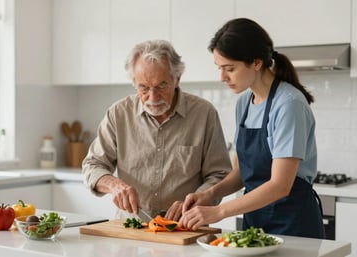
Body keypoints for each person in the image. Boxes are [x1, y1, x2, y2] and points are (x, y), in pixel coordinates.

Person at [179, 18, 325, 239]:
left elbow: (279, 186)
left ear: (256, 63)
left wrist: (219, 211)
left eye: (230, 68)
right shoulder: (245, 103)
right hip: (255, 222)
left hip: (293, 224)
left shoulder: (288, 104)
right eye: (220, 68)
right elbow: (242, 172)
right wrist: (210, 194)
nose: (222, 77)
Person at [82, 39, 232, 221]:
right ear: (134, 83)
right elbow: (92, 165)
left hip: (184, 225)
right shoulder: (118, 114)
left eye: (161, 86)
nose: (153, 97)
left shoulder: (204, 114)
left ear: (177, 79)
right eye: (143, 88)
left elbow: (220, 174)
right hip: (131, 226)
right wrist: (114, 185)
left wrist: (195, 201)